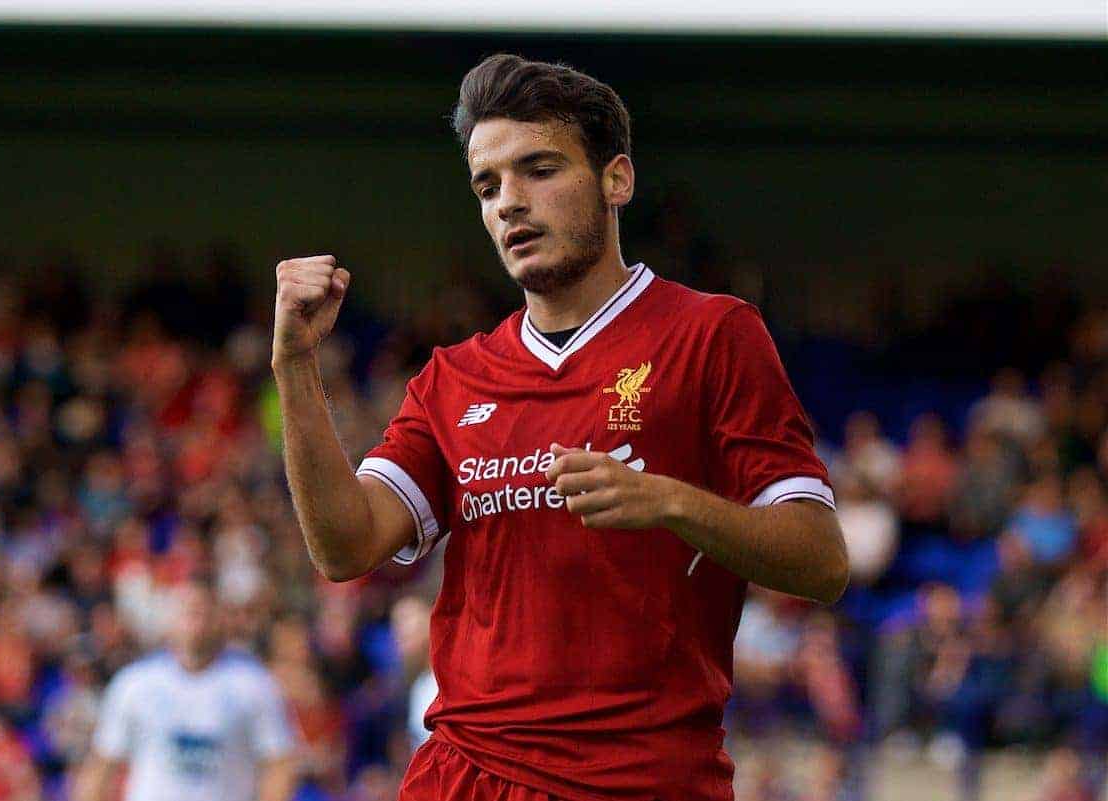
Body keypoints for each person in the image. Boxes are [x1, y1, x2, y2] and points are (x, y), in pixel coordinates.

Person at [271, 54, 849, 801]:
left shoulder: (712, 335)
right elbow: (344, 546)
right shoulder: (455, 377)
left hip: (643, 780)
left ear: (617, 180)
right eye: (488, 186)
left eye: (538, 169)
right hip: (467, 774)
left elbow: (822, 559)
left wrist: (668, 501)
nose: (509, 202)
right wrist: (295, 363)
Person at [72, 579, 298, 801]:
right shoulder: (134, 683)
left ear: (220, 617)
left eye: (203, 610)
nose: (195, 620)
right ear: (168, 618)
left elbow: (279, 763)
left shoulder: (254, 684)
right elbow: (102, 765)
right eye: (187, 610)